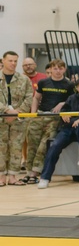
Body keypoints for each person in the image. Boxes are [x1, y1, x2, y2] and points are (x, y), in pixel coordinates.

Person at [21, 59, 74, 184]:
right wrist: (33, 114)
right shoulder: (43, 82)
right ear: (50, 69)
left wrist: (63, 103)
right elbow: (36, 98)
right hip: (40, 115)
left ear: (64, 69)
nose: (57, 71)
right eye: (55, 68)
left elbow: (72, 100)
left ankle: (36, 172)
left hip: (55, 119)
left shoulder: (69, 85)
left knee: (44, 145)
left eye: (60, 68)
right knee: (32, 144)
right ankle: (29, 172)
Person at [37, 77, 79, 189]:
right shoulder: (71, 98)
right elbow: (64, 111)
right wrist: (65, 114)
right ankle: (45, 178)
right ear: (77, 88)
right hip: (68, 128)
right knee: (54, 147)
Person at [0, 51, 32, 186]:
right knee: (1, 147)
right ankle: (1, 176)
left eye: (15, 61)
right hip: (1, 118)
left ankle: (13, 176)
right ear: (3, 61)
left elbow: (29, 97)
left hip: (18, 120)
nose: (13, 64)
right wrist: (7, 111)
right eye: (10, 61)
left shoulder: (24, 79)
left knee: (16, 146)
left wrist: (16, 113)